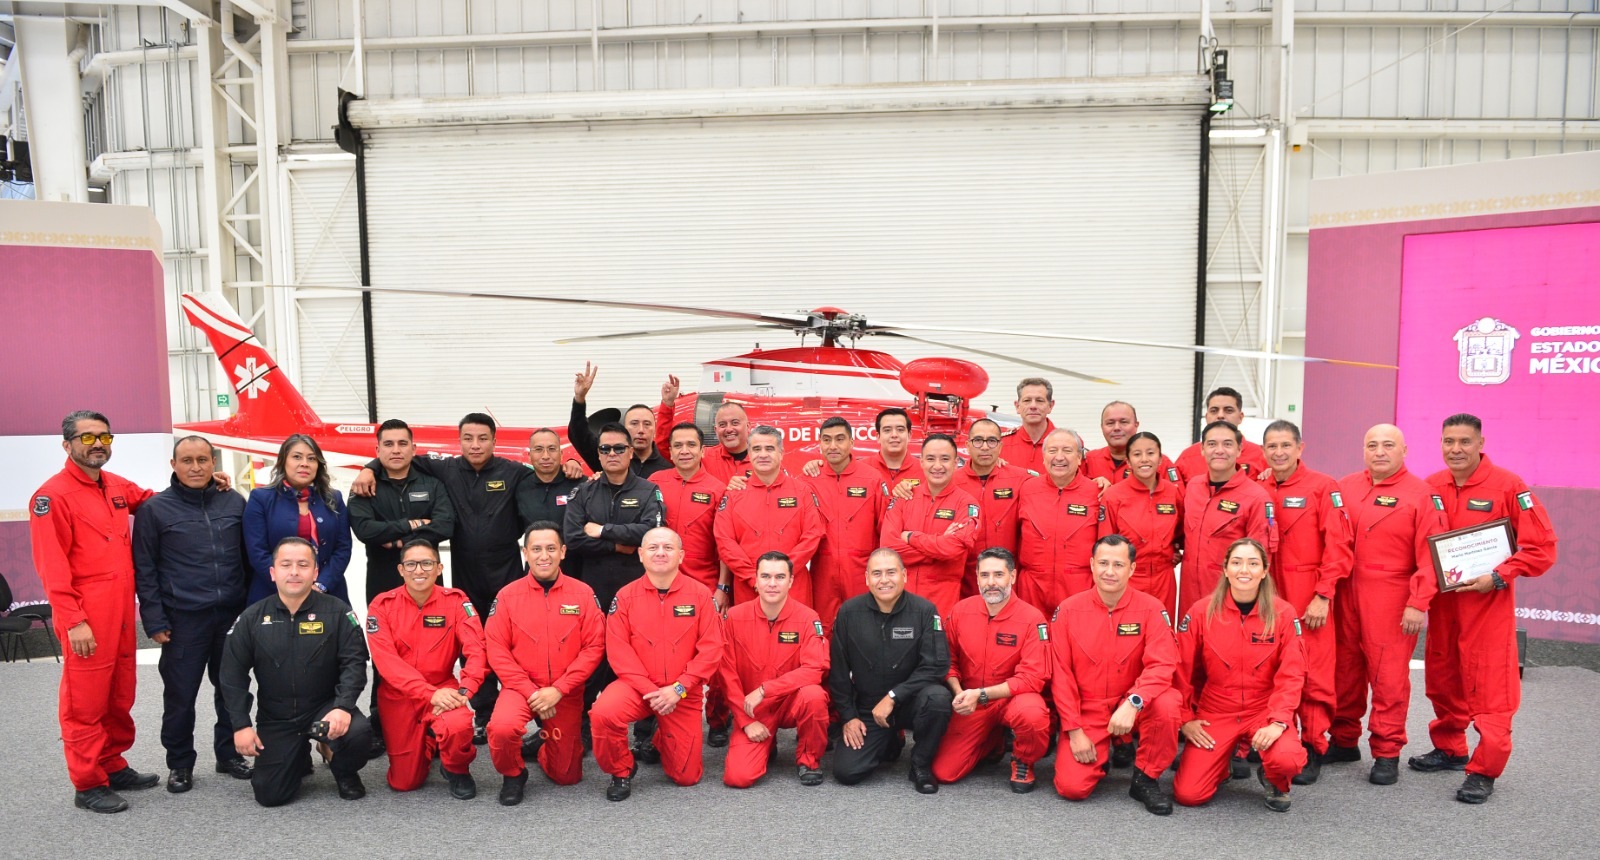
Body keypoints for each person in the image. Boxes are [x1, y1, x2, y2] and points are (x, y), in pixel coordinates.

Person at [351, 412, 545, 742]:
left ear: (495, 442)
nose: (475, 444)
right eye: (468, 438)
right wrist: (369, 467)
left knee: (516, 646)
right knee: (472, 647)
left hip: (507, 575)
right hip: (465, 576)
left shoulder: (514, 473)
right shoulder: (446, 469)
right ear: (459, 442)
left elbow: (546, 476)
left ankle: (533, 714)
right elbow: (397, 457)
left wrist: (573, 469)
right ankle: (482, 713)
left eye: (483, 438)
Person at [1417, 414, 1557, 804]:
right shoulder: (1429, 486)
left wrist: (1498, 576)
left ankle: (1484, 770)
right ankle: (1450, 747)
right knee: (1443, 679)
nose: (1455, 449)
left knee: (1491, 690)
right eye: (1448, 441)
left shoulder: (1509, 486)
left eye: (1464, 441)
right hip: (1444, 606)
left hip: (1487, 606)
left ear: (1481, 443)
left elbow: (1542, 549)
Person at [31, 411, 161, 813]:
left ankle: (112, 762)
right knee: (84, 702)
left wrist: (206, 484)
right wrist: (74, 622)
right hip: (87, 615)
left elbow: (156, 501)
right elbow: (52, 567)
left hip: (122, 609)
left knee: (119, 693)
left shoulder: (117, 486)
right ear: (67, 444)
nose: (97, 444)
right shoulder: (50, 497)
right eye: (87, 438)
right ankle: (87, 783)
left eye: (104, 436)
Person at [132, 435, 254, 793]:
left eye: (203, 460)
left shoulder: (234, 502)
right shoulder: (155, 510)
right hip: (182, 621)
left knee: (232, 690)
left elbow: (247, 562)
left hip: (231, 617)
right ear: (174, 465)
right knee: (180, 697)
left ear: (213, 462)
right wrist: (154, 620)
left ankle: (229, 753)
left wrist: (248, 612)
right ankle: (180, 763)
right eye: (187, 460)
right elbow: (145, 569)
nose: (196, 467)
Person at [1329, 424, 1446, 786]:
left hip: (1392, 594)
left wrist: (1418, 602)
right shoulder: (1345, 486)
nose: (1379, 452)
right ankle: (1344, 739)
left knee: (1388, 676)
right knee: (1344, 670)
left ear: (1404, 450)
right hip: (1346, 589)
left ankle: (1386, 750)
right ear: (1363, 450)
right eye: (1372, 445)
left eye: (1388, 445)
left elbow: (1432, 554)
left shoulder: (1422, 494)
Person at [220, 537, 373, 807]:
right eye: (286, 564)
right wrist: (241, 725)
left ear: (315, 572)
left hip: (325, 707)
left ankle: (343, 769)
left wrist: (343, 707)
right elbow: (232, 675)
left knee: (359, 733)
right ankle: (297, 753)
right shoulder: (252, 617)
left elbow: (355, 663)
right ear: (272, 572)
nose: (294, 572)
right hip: (277, 716)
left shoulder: (338, 611)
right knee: (270, 795)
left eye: (303, 565)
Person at [1173, 538, 1308, 813]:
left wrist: (1279, 722)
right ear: (1225, 569)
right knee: (1189, 795)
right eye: (1236, 562)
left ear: (1264, 570)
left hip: (1264, 709)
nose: (1243, 570)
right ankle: (1220, 766)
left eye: (1252, 563)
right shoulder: (1201, 611)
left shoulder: (1283, 614)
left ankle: (1275, 780)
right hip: (1217, 709)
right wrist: (1185, 720)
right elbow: (1181, 670)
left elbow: (1292, 674)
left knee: (1287, 759)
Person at [591, 528, 726, 801]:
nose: (660, 553)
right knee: (603, 712)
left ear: (681, 555)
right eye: (653, 548)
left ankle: (661, 737)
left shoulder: (700, 595)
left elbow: (712, 650)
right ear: (640, 555)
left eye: (668, 547)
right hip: (638, 687)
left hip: (683, 692)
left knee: (686, 777)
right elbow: (618, 651)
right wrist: (650, 689)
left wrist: (679, 688)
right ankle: (621, 769)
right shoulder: (625, 596)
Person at [1051, 535, 1182, 814]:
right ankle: (1101, 756)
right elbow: (1061, 675)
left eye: (1118, 564)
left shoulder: (1152, 608)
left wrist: (1134, 701)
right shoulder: (1068, 610)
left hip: (1134, 703)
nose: (1109, 571)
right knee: (1071, 788)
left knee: (1168, 703)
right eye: (1103, 563)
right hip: (1089, 707)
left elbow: (1162, 665)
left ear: (1132, 569)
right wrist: (1074, 730)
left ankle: (1146, 778)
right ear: (1091, 565)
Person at [347, 419, 456, 750]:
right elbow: (365, 530)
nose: (396, 450)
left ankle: (434, 719)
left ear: (413, 448)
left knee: (434, 651)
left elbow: (446, 524)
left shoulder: (431, 483)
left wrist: (395, 536)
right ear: (377, 450)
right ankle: (381, 724)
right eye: (389, 444)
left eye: (402, 444)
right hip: (383, 581)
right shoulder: (365, 487)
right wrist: (414, 525)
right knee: (387, 654)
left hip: (428, 582)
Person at [562, 421, 667, 758]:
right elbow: (574, 538)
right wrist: (619, 544)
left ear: (631, 451)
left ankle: (645, 732)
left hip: (639, 593)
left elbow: (651, 533)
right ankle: (584, 724)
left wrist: (603, 529)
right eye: (604, 449)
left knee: (643, 661)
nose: (611, 454)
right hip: (593, 592)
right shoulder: (584, 492)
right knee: (591, 661)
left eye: (618, 448)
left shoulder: (649, 491)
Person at [1257, 419, 1353, 785]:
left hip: (1307, 592)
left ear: (1300, 448)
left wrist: (1323, 594)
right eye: (1271, 446)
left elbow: (1339, 546)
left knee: (1312, 673)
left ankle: (1313, 746)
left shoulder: (1322, 487)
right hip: (1268, 591)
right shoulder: (1258, 487)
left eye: (1285, 445)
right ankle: (1274, 740)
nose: (1278, 452)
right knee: (1268, 669)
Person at [485, 522, 605, 805]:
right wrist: (530, 692)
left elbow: (594, 647)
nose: (544, 556)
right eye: (536, 549)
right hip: (520, 688)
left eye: (551, 548)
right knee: (501, 728)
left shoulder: (583, 594)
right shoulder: (507, 596)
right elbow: (497, 649)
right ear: (525, 552)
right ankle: (514, 774)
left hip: (565, 691)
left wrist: (560, 689)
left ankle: (545, 742)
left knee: (567, 776)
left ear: (563, 552)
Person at [364, 539, 487, 799]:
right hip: (399, 696)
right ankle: (429, 742)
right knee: (405, 782)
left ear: (439, 568)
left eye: (426, 563)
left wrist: (466, 690)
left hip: (444, 687)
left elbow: (476, 649)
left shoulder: (456, 601)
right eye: (411, 564)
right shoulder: (382, 606)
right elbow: (386, 662)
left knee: (459, 724)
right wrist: (428, 693)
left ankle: (456, 768)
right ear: (400, 570)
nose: (419, 570)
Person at [830, 548, 952, 793]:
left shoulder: (925, 611)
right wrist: (849, 716)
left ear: (904, 575)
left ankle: (920, 764)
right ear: (866, 579)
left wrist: (894, 696)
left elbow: (936, 665)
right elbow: (839, 671)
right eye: (876, 573)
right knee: (847, 772)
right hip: (869, 707)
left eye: (890, 572)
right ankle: (889, 740)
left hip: (911, 701)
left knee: (938, 698)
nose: (884, 579)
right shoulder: (848, 613)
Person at [931, 548, 1050, 793]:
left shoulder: (1032, 618)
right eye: (985, 575)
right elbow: (947, 661)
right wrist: (958, 691)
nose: (991, 582)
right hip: (971, 700)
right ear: (976, 578)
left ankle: (1023, 759)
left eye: (999, 574)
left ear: (1013, 576)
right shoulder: (960, 612)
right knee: (943, 773)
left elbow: (1033, 677)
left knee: (1033, 715)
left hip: (1012, 698)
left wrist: (982, 694)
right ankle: (991, 741)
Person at [650, 421, 733, 745]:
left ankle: (716, 719)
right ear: (670, 451)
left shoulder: (717, 488)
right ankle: (660, 726)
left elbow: (724, 543)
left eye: (690, 445)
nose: (684, 451)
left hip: (704, 585)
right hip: (661, 587)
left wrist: (723, 588)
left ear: (701, 450)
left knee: (713, 657)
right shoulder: (654, 483)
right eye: (678, 445)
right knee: (663, 657)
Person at [718, 552, 831, 788]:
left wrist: (765, 689)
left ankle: (808, 761)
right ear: (756, 580)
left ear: (791, 581)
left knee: (814, 695)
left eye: (780, 577)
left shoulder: (808, 618)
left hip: (791, 701)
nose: (772, 583)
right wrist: (745, 721)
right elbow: (726, 674)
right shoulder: (735, 617)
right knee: (738, 778)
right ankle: (766, 745)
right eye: (766, 576)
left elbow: (814, 669)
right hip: (753, 709)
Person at [714, 426, 824, 607]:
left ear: (781, 453)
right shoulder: (733, 494)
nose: (763, 454)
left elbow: (812, 536)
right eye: (757, 449)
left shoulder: (802, 491)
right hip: (749, 590)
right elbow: (725, 541)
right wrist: (753, 578)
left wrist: (784, 573)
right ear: (749, 453)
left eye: (770, 449)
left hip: (793, 589)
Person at [1178, 421, 1276, 618]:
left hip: (1229, 600)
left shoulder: (1256, 497)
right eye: (1212, 444)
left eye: (1228, 444)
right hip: (1189, 599)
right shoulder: (1194, 487)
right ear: (1202, 450)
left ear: (1239, 450)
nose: (1219, 450)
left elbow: (1261, 557)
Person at [878, 433, 981, 618]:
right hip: (901, 600)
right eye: (931, 459)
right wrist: (938, 546)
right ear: (922, 462)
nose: (938, 466)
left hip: (942, 602)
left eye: (945, 459)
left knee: (937, 646)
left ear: (957, 462)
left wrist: (910, 537)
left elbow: (953, 550)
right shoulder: (904, 497)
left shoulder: (966, 504)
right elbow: (888, 549)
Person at [243, 434, 352, 605]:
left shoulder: (334, 498)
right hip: (273, 594)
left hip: (327, 593)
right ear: (283, 462)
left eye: (311, 458)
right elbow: (257, 552)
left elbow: (343, 548)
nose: (304, 463)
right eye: (296, 457)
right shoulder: (260, 499)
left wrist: (321, 585)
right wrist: (291, 587)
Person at [806, 417, 887, 635]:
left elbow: (885, 530)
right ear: (819, 444)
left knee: (866, 630)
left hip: (861, 571)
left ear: (851, 443)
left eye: (840, 439)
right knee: (823, 630)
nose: (833, 446)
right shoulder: (809, 480)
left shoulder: (871, 479)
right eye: (827, 440)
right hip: (822, 571)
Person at [1098, 431, 1184, 616]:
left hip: (1164, 579)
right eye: (1137, 454)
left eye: (1151, 453)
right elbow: (1105, 543)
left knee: (1163, 632)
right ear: (1128, 462)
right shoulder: (1114, 496)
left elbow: (1180, 531)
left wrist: (1173, 549)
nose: (1144, 459)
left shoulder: (1172, 493)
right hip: (1129, 578)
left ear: (1161, 459)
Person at [1016, 429, 1102, 612]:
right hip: (1032, 590)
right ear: (1043, 456)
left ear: (1079, 458)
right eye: (1052, 450)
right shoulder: (1026, 490)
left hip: (1080, 590)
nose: (1059, 457)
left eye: (1067, 451)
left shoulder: (1096, 492)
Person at [952, 419, 1032, 594]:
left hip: (1007, 581)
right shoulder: (951, 482)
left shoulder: (1021, 479)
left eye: (992, 441)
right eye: (978, 440)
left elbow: (1055, 483)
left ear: (1000, 446)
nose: (985, 447)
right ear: (968, 445)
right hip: (965, 581)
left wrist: (1097, 481)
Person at [571, 362, 671, 477]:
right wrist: (580, 399)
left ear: (655, 429)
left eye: (647, 424)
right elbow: (579, 434)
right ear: (624, 429)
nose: (641, 430)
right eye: (634, 424)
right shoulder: (610, 458)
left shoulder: (669, 463)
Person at [522, 427, 586, 574]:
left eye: (552, 449)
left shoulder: (582, 484)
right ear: (529, 454)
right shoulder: (519, 485)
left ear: (561, 453)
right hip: (536, 570)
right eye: (538, 449)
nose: (546, 456)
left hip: (576, 570)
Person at [1173, 387, 1268, 484]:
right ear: (1206, 417)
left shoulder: (1263, 456)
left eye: (1228, 410)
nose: (1220, 415)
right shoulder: (1187, 457)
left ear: (1240, 417)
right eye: (1214, 411)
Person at [1081, 401, 1176, 486]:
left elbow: (1177, 499)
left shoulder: (1159, 462)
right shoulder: (1088, 460)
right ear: (1102, 427)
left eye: (1124, 422)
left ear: (1136, 425)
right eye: (1110, 423)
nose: (1117, 428)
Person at [999, 378, 1057, 474]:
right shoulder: (999, 444)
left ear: (1050, 406)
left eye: (1039, 400)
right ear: (1017, 406)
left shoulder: (1069, 444)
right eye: (1027, 400)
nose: (1033, 406)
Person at [868, 408, 924, 486]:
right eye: (887, 430)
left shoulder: (925, 470)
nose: (894, 435)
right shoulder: (862, 468)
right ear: (878, 436)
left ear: (909, 435)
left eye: (900, 430)